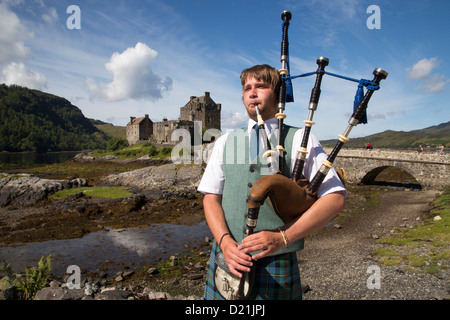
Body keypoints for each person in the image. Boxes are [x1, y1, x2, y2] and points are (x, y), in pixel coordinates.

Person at [198, 64, 346, 300]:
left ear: (277, 95)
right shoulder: (226, 141)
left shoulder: (299, 137)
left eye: (261, 86)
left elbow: (335, 198)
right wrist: (225, 242)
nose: (252, 92)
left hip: (275, 264)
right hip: (228, 258)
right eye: (247, 88)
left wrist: (282, 237)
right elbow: (211, 197)